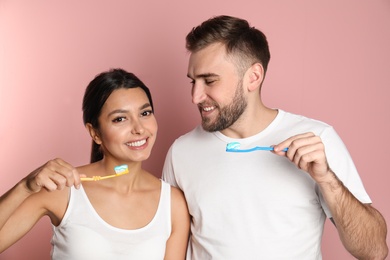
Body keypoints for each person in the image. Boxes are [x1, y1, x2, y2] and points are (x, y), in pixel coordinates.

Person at [162, 15, 388, 259]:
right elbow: (164, 243)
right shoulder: (181, 152)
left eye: (209, 80)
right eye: (193, 81)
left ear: (253, 77)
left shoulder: (316, 139)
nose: (195, 96)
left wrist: (327, 179)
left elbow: (374, 251)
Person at [0, 68, 190, 259]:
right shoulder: (64, 188)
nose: (139, 128)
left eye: (145, 113)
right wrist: (24, 187)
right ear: (95, 133)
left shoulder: (172, 204)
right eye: (120, 119)